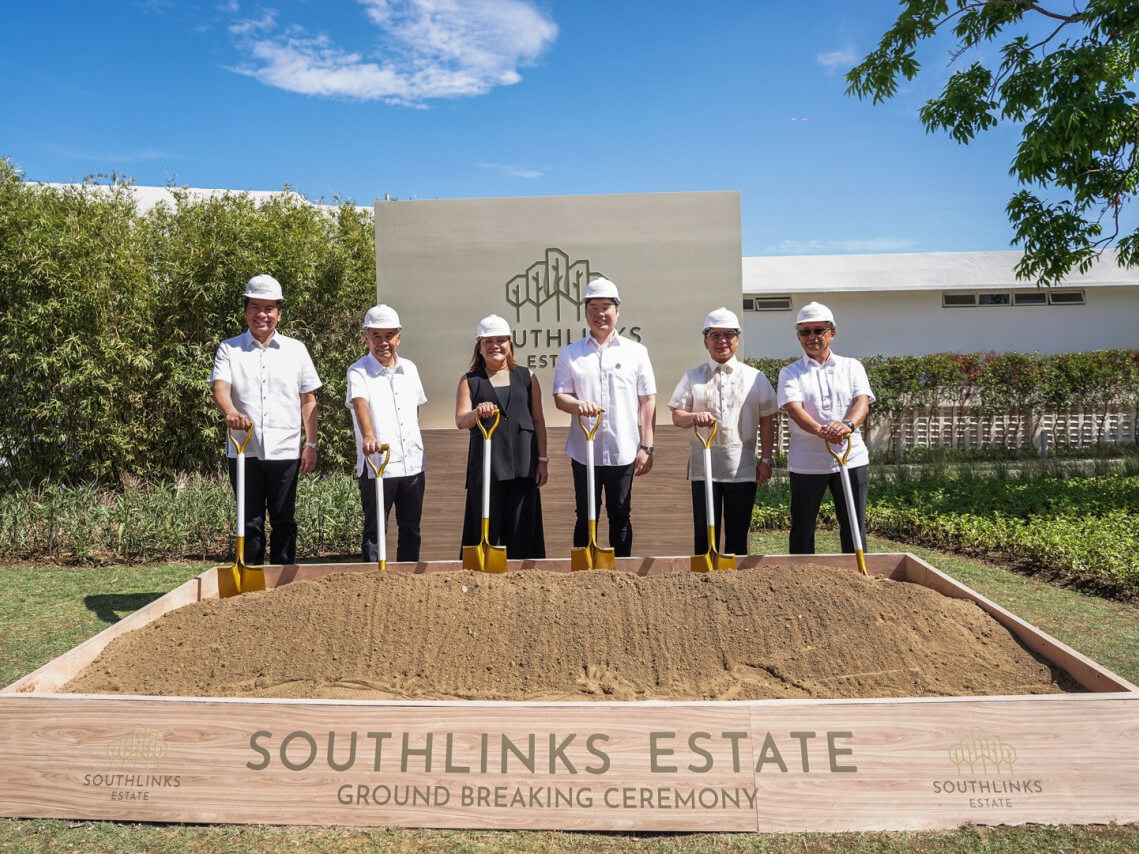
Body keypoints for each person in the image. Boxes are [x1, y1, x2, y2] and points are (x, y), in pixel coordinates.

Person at [209, 273, 321, 565]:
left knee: (285, 519)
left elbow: (308, 400)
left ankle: (282, 587)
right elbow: (220, 388)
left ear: (279, 313)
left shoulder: (296, 350)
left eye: (269, 308)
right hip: (244, 450)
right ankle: (252, 582)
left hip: (285, 449)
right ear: (245, 311)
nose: (262, 314)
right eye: (255, 307)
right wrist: (230, 412)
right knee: (249, 521)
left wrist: (311, 444)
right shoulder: (229, 348)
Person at [552, 277, 656, 556]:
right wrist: (578, 406)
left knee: (621, 513)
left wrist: (647, 446)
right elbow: (560, 397)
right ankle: (583, 572)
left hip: (624, 448)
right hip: (584, 450)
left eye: (606, 306)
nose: (600, 313)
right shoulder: (571, 353)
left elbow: (647, 400)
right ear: (586, 312)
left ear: (617, 311)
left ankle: (621, 571)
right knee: (586, 513)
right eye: (593, 307)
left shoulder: (637, 352)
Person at [669, 307, 777, 556]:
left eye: (728, 334)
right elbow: (677, 417)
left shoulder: (755, 377)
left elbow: (767, 420)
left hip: (742, 468)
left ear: (737, 339)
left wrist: (766, 460)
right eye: (715, 335)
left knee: (738, 535)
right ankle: (704, 584)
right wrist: (695, 416)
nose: (722, 341)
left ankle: (735, 587)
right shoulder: (692, 376)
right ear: (705, 341)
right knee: (705, 535)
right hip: (704, 468)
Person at [777, 301, 875, 555]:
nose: (812, 337)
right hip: (806, 462)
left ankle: (857, 577)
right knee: (802, 526)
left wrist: (847, 426)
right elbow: (795, 410)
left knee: (854, 523)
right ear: (798, 336)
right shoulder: (789, 373)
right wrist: (823, 431)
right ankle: (801, 579)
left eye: (818, 330)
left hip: (851, 458)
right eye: (805, 331)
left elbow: (862, 402)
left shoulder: (852, 366)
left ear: (832, 332)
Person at [455, 314, 548, 558]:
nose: (495, 345)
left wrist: (543, 461)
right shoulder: (469, 381)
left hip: (523, 467)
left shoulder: (528, 377)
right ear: (480, 347)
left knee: (523, 534)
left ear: (510, 344)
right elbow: (460, 420)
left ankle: (525, 581)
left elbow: (538, 420)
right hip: (487, 470)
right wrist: (476, 413)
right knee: (485, 527)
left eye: (501, 340)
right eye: (488, 341)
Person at [346, 304, 426, 563]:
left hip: (412, 464)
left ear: (398, 337)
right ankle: (373, 583)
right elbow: (360, 404)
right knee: (375, 530)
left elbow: (414, 411)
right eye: (376, 336)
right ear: (366, 337)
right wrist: (368, 436)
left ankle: (407, 584)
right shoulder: (358, 371)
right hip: (378, 465)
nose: (383, 342)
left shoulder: (410, 369)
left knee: (411, 529)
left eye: (389, 335)